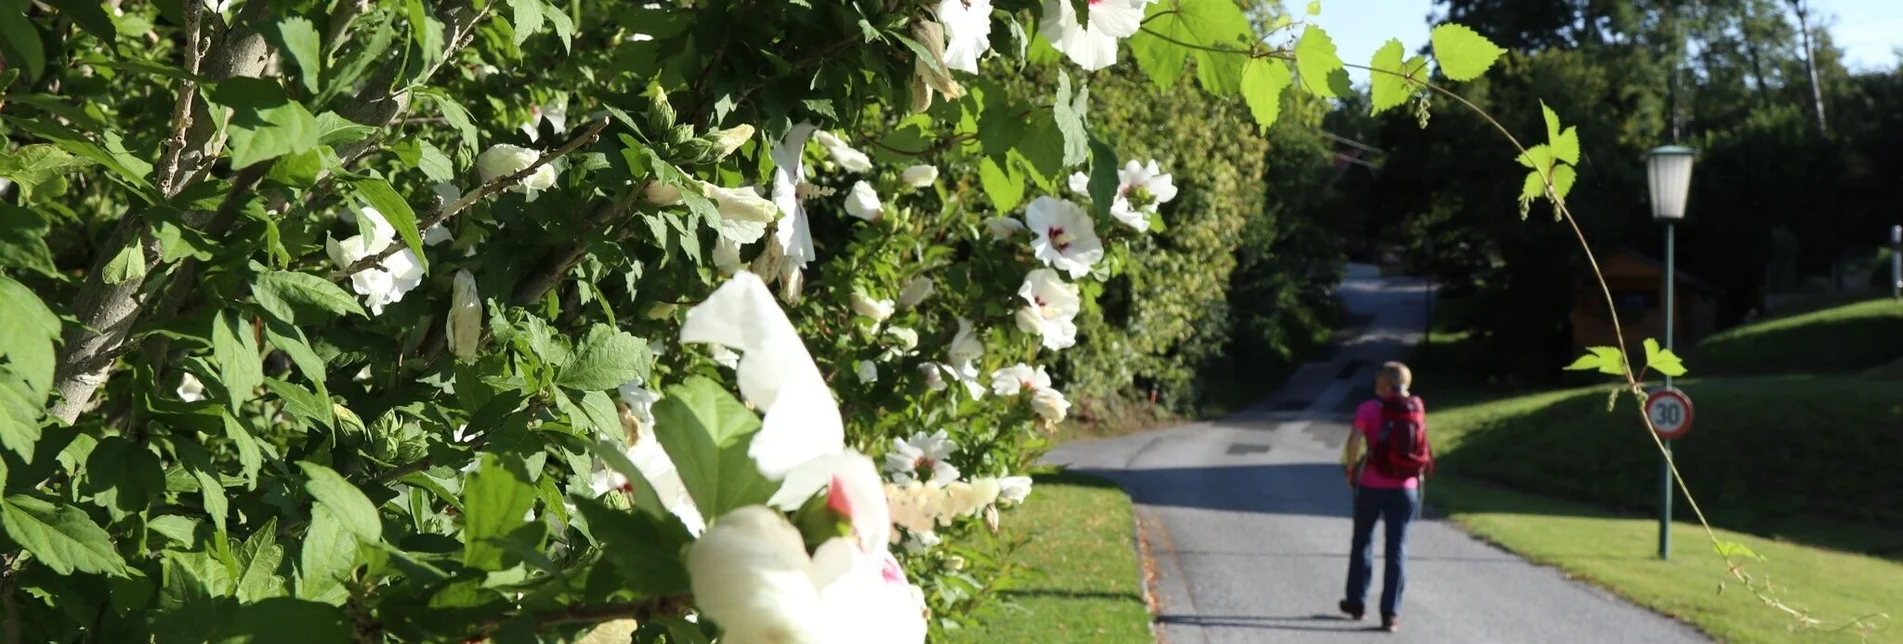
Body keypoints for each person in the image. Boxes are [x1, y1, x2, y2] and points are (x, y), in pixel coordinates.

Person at [1337, 361, 1431, 633]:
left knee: (1363, 541)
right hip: (1406, 488)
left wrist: (1351, 469)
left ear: (1382, 383)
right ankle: (1390, 614)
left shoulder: (1369, 408)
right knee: (1397, 549)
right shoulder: (1416, 407)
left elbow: (1354, 440)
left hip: (1372, 485)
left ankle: (1356, 602)